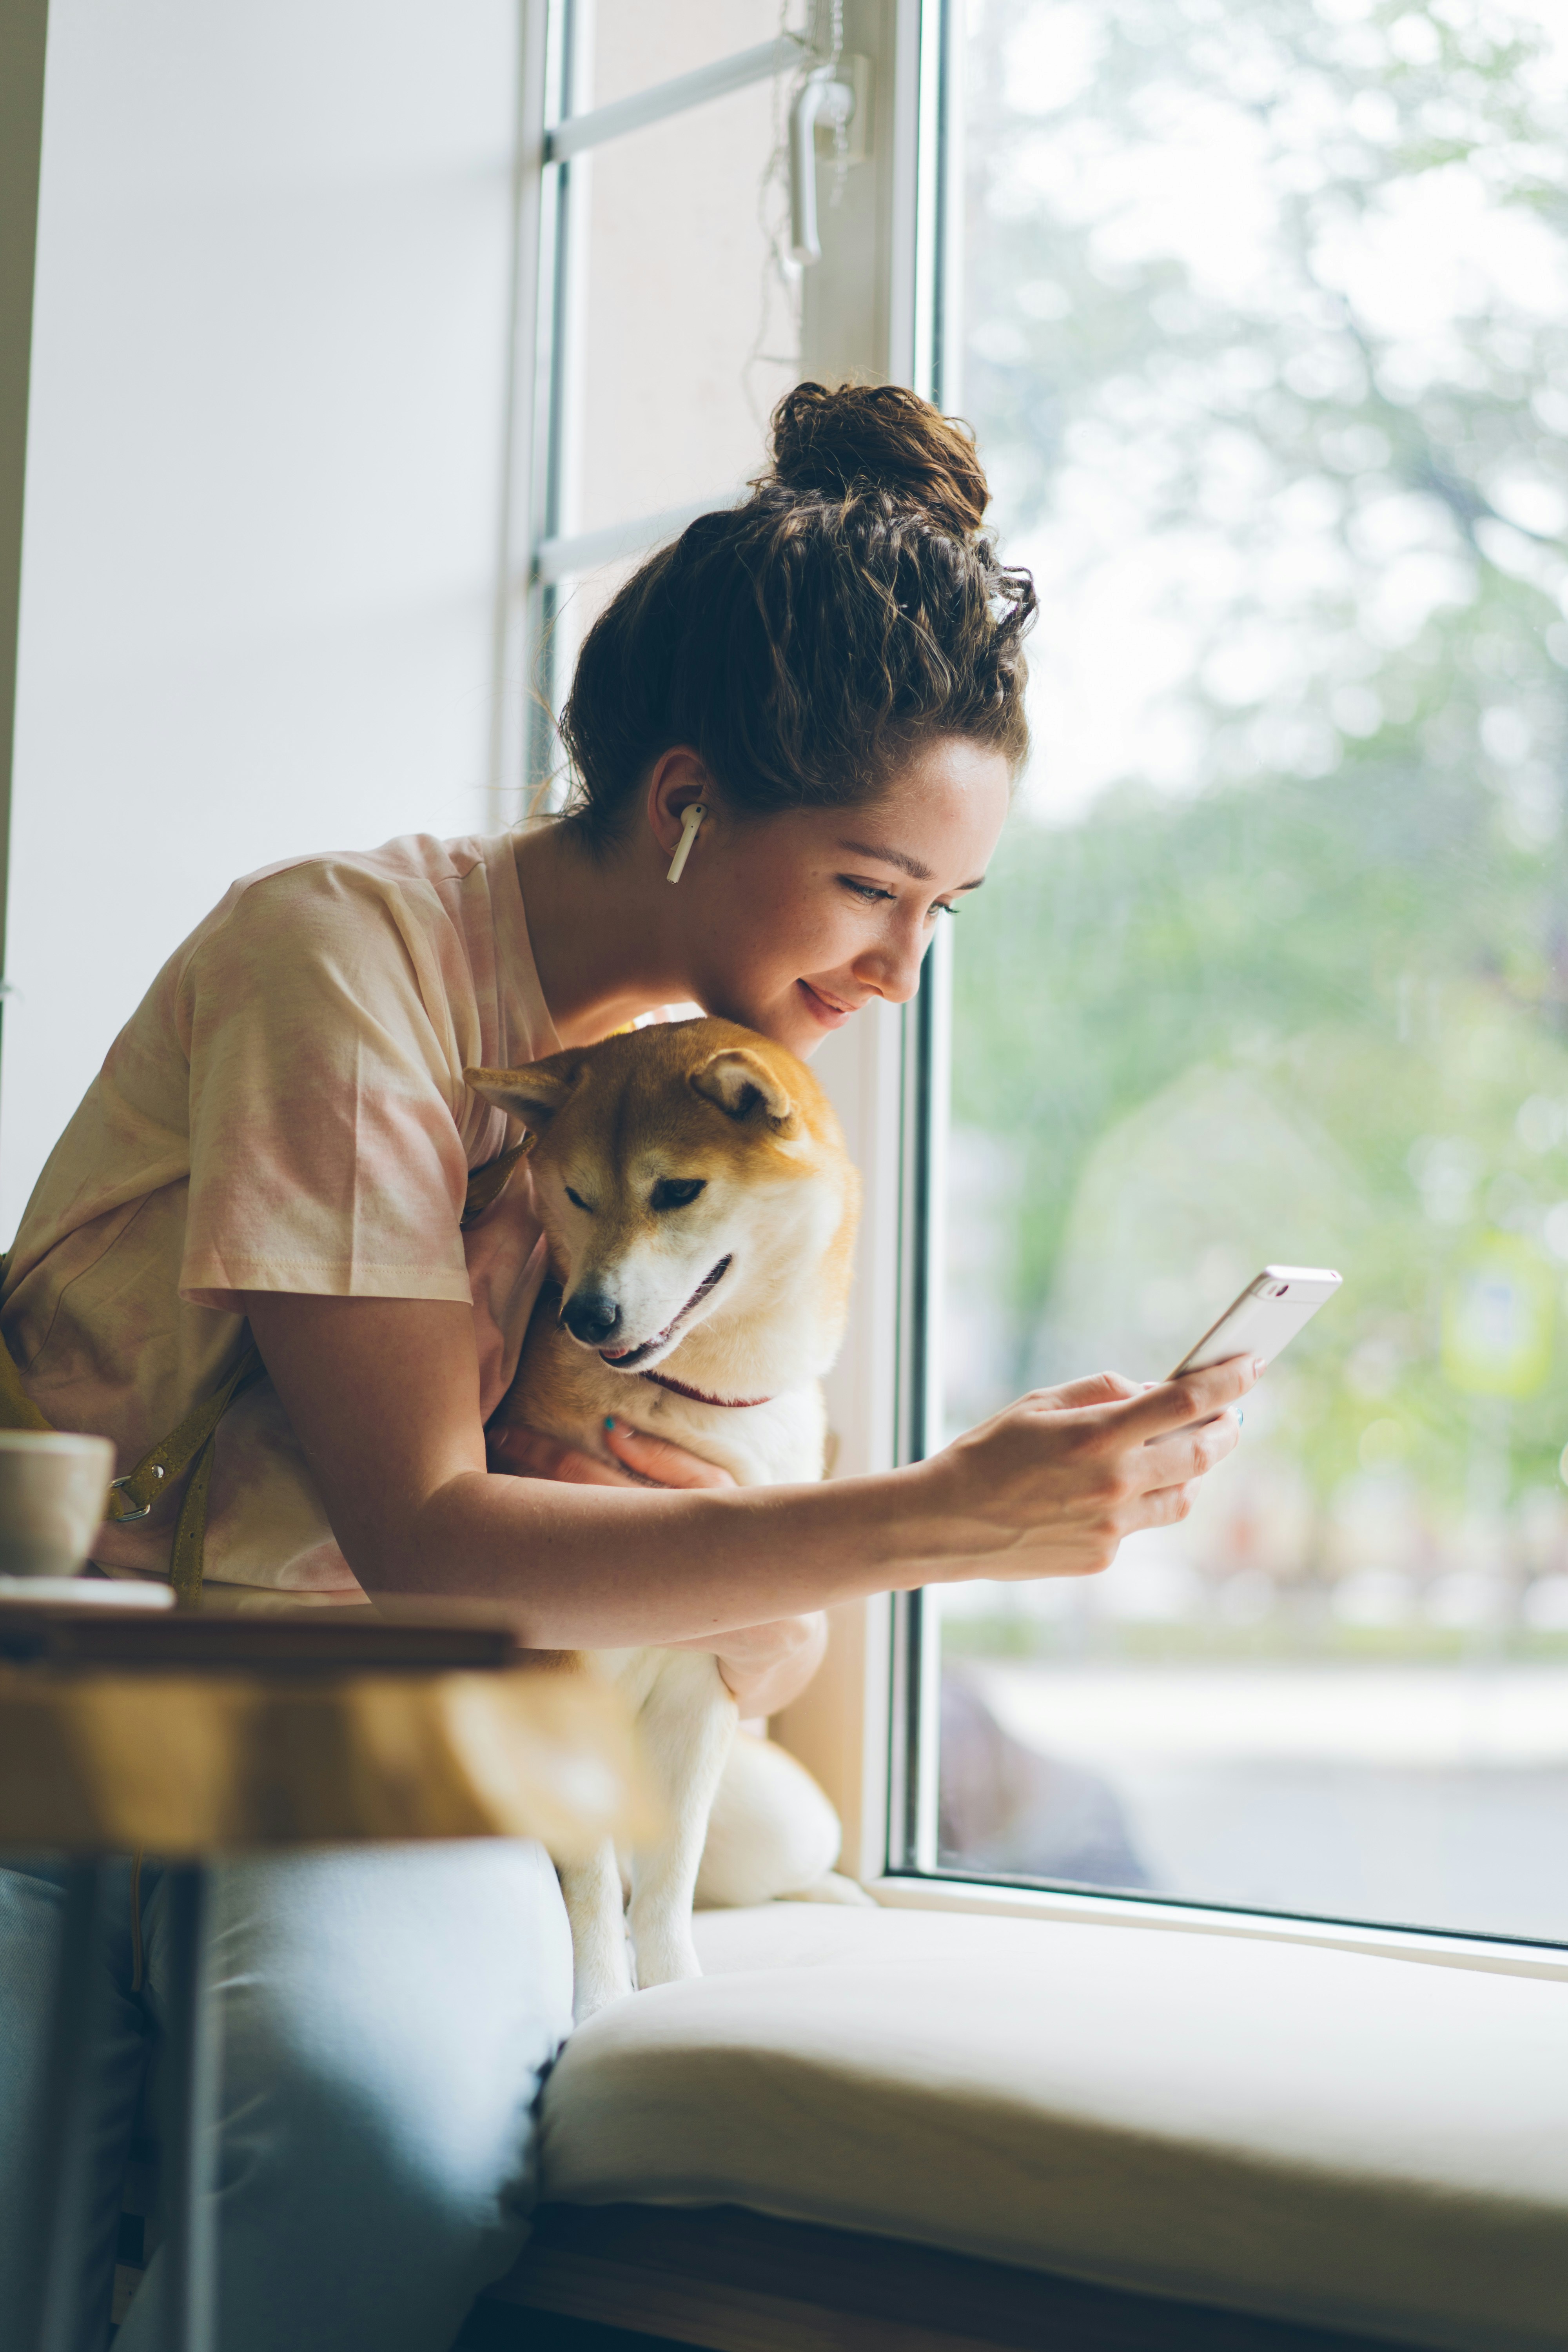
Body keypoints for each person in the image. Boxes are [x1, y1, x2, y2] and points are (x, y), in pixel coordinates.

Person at [0, 383, 1254, 2350]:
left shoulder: (708, 1125)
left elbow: (741, 1647)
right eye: (867, 885)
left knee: (369, 2133)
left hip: (380, 1717)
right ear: (680, 802)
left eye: (943, 909)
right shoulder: (341, 959)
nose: (901, 969)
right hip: (80, 1667)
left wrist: (769, 1548)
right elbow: (431, 1541)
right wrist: (943, 1516)